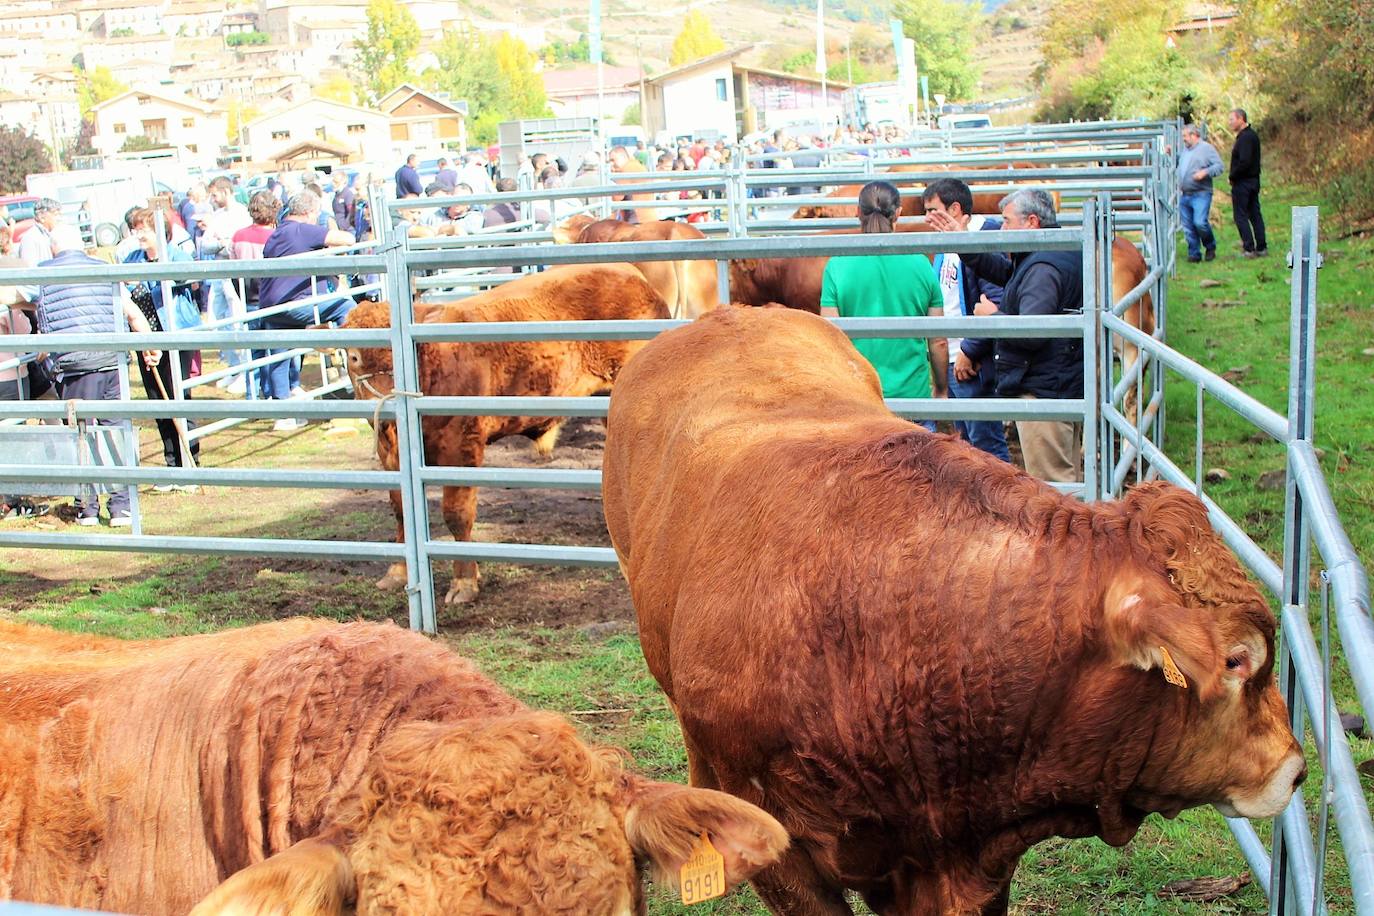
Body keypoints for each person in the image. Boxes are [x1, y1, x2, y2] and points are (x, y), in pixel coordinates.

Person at [928, 188, 1084, 483]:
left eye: (1007, 221)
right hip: (1059, 383)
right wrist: (966, 245)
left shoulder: (1042, 267)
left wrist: (992, 319)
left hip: (1043, 390)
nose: (1002, 229)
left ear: (1032, 222)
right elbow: (1008, 276)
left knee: (1051, 484)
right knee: (1065, 475)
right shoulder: (1048, 253)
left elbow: (1032, 332)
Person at [37, 224, 161, 526]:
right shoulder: (104, 269)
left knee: (82, 433)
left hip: (75, 364)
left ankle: (87, 508)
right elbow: (132, 312)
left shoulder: (43, 274)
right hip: (111, 360)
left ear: (54, 249)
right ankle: (122, 507)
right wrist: (150, 346)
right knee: (115, 431)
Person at [819, 181, 947, 431]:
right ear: (898, 213)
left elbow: (830, 339)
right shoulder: (920, 263)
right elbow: (939, 341)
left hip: (860, 399)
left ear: (857, 213)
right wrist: (941, 389)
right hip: (913, 400)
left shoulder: (837, 266)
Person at [921, 178, 1010, 463]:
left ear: (955, 208)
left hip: (972, 361)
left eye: (932, 210)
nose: (926, 218)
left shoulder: (983, 239)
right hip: (954, 358)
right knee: (967, 445)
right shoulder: (948, 243)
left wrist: (969, 351)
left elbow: (994, 303)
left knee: (986, 447)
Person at [257, 190, 356, 426]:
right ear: (310, 212)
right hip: (295, 302)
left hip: (271, 305)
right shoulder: (302, 229)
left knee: (280, 357)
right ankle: (356, 355)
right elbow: (347, 239)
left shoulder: (276, 233)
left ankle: (284, 414)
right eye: (317, 214)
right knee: (346, 306)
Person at [124, 207, 203, 474]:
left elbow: (186, 275)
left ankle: (190, 459)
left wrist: (157, 272)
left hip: (174, 335)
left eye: (144, 230)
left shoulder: (176, 255)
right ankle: (172, 463)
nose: (139, 235)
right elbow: (121, 284)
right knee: (157, 398)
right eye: (136, 230)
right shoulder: (132, 259)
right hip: (145, 338)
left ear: (160, 232)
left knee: (178, 396)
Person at [197, 175, 252, 391]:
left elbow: (236, 245)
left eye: (215, 194)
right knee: (217, 319)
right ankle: (234, 367)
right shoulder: (217, 215)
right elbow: (206, 244)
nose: (212, 198)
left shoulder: (242, 214)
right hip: (219, 274)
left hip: (235, 275)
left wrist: (222, 243)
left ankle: (246, 372)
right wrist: (221, 242)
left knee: (238, 320)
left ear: (226, 192)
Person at [231, 191, 278, 399]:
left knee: (255, 351)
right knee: (276, 349)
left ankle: (253, 395)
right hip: (273, 299)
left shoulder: (238, 236)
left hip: (249, 298)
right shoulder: (276, 236)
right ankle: (274, 392)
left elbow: (232, 270)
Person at [1177, 124, 1223, 263]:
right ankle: (1194, 253)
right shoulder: (1185, 151)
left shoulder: (1206, 149)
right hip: (1185, 194)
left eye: (1185, 136)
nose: (1183, 139)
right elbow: (1181, 164)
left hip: (1201, 193)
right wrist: (1171, 154)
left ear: (1194, 135)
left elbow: (1219, 166)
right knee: (1188, 226)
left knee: (1200, 222)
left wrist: (1205, 172)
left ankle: (1210, 246)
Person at [1228, 108, 1267, 258]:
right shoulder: (1251, 136)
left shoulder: (1245, 138)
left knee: (1241, 215)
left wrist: (1233, 176)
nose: (1230, 123)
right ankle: (1261, 246)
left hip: (1243, 182)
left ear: (1241, 119)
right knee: (1254, 214)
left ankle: (1249, 247)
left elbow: (1244, 162)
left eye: (1232, 119)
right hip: (1253, 180)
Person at [17, 198, 62, 267]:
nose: (59, 219)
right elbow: (29, 269)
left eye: (60, 215)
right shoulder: (30, 238)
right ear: (42, 217)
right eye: (56, 215)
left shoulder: (50, 235)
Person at [331, 169, 356, 234]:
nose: (333, 184)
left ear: (344, 182)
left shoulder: (348, 194)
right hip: (339, 229)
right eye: (333, 181)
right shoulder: (337, 194)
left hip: (347, 231)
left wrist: (344, 226)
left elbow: (352, 212)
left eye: (336, 182)